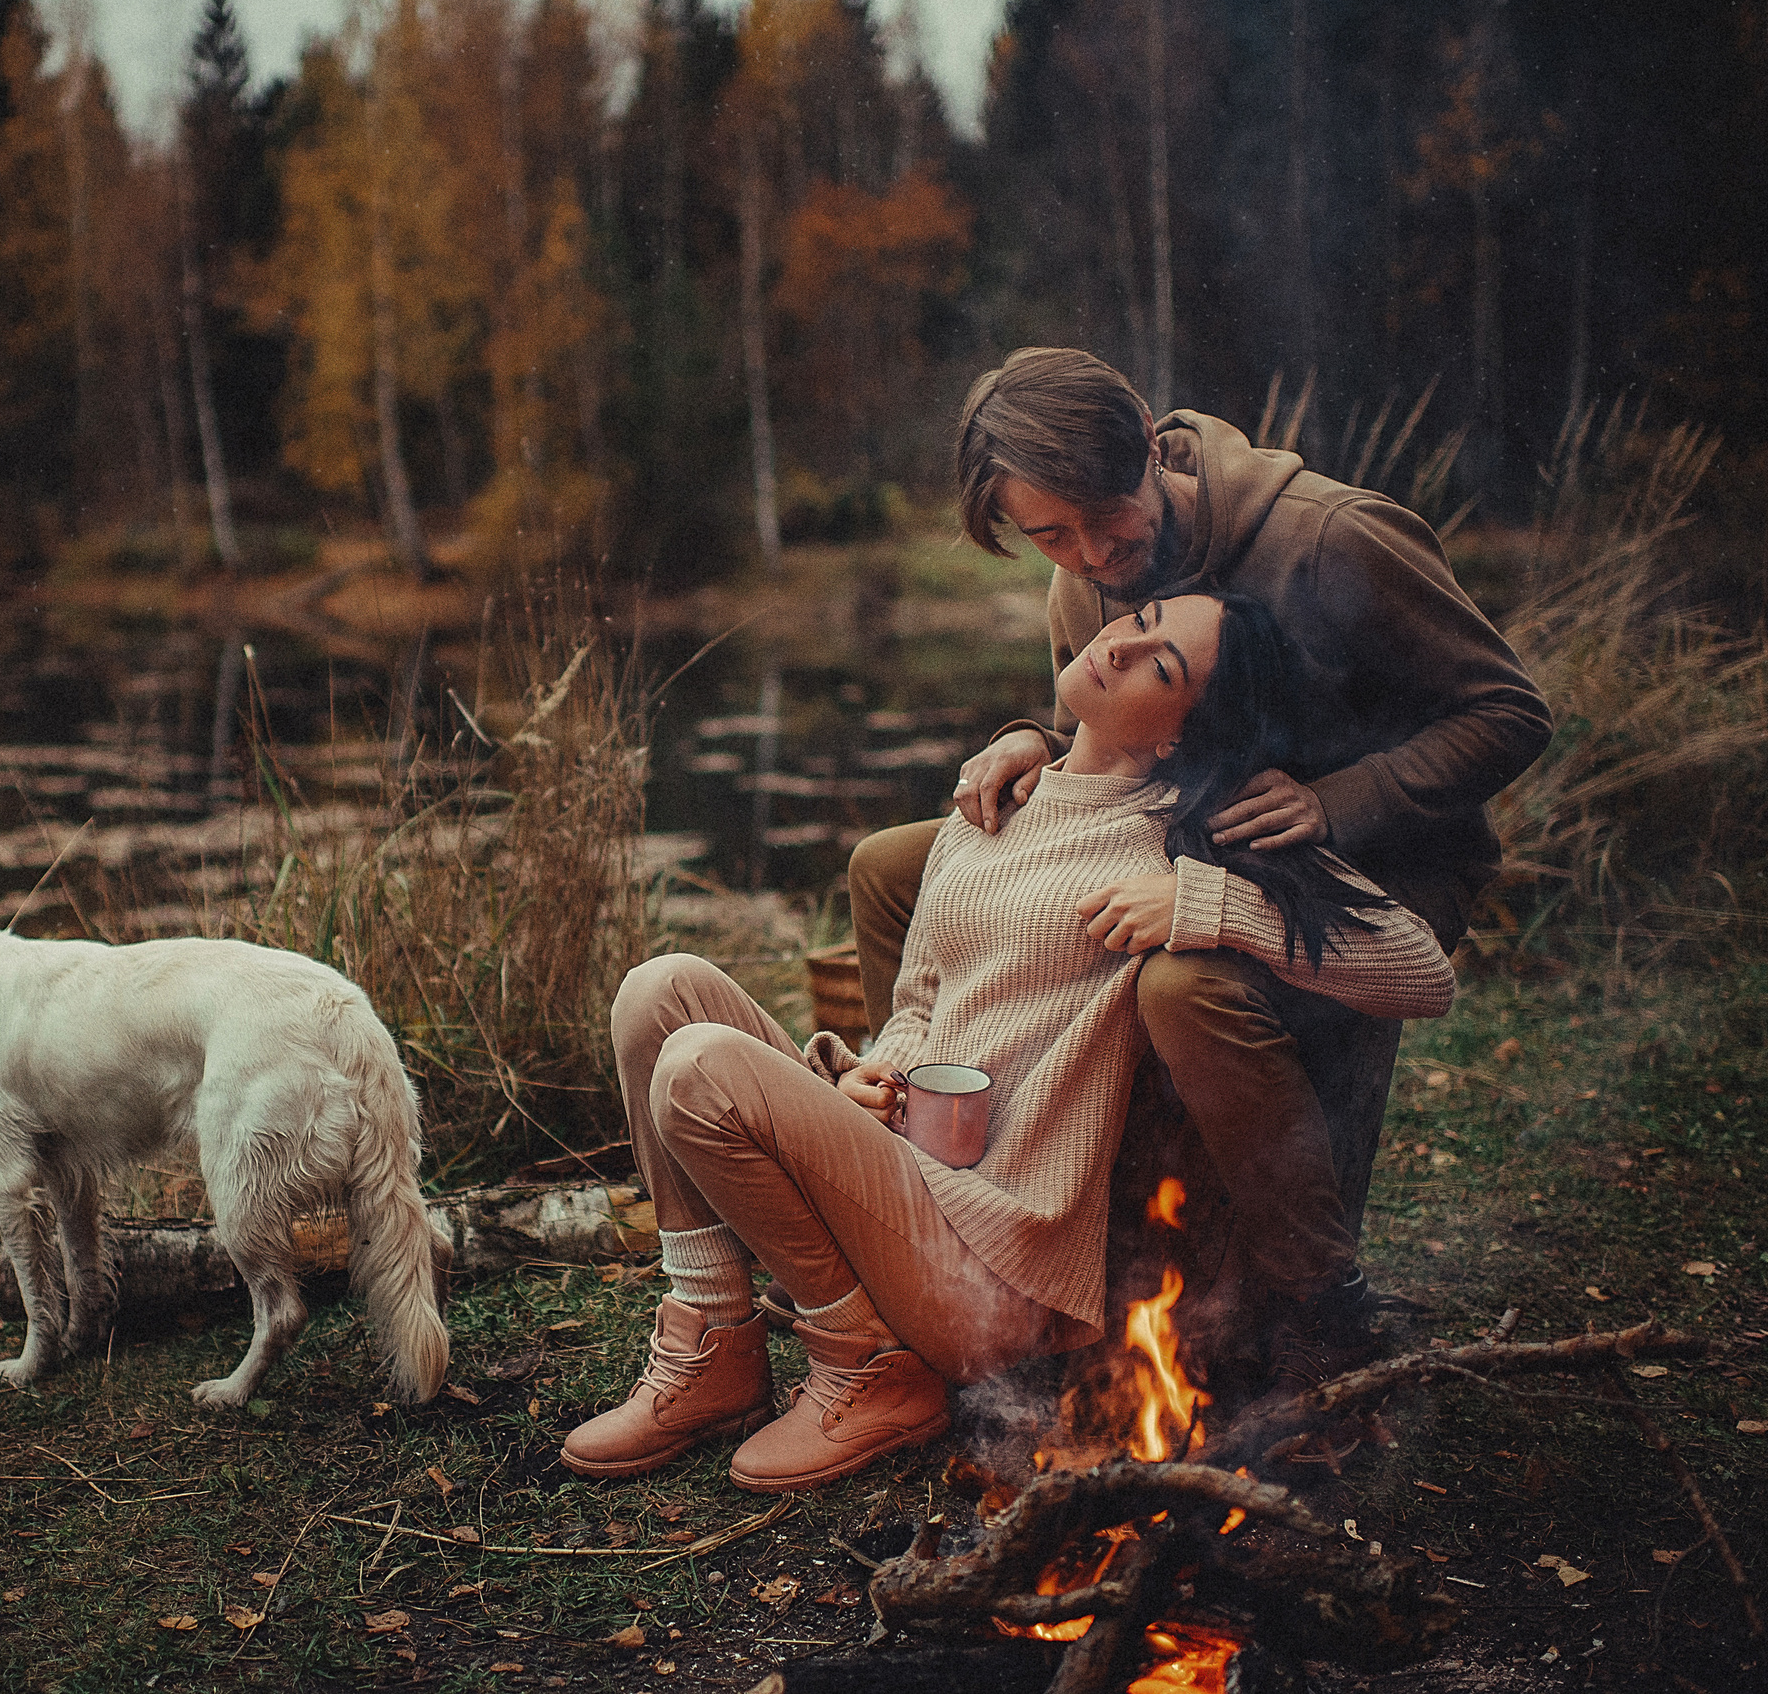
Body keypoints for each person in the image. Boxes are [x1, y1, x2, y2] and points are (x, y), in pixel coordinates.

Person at [563, 590, 1455, 1494]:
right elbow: (920, 1000)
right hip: (913, 1167)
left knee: (698, 1069)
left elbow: (1420, 968)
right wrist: (882, 1071)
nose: (1119, 642)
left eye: (1161, 662)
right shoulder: (998, 798)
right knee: (658, 992)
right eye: (1139, 618)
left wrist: (1208, 904)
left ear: (1180, 736)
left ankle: (867, 1368)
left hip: (992, 1268)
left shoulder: (1191, 841)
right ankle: (713, 1336)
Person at [849, 348, 1549, 1367]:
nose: (1091, 553)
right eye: (1049, 535)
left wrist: (1334, 803)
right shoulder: (1081, 578)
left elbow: (1508, 713)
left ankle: (1317, 1291)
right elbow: (1103, 735)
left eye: (1105, 514)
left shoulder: (1333, 538)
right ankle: (936, 1157)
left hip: (1377, 867)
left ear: (1149, 447)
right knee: (889, 867)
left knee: (1184, 984)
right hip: (1176, 828)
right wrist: (1026, 741)